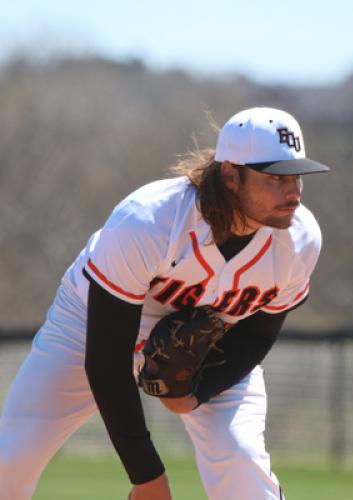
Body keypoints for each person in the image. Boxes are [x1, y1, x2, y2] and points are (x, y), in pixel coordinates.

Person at [0, 106, 330, 499]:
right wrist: (146, 476)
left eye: (296, 176)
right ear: (230, 175)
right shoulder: (149, 221)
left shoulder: (299, 239)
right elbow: (106, 362)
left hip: (214, 343)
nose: (293, 192)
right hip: (89, 324)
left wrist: (195, 394)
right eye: (275, 177)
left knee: (240, 458)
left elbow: (259, 333)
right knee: (11, 457)